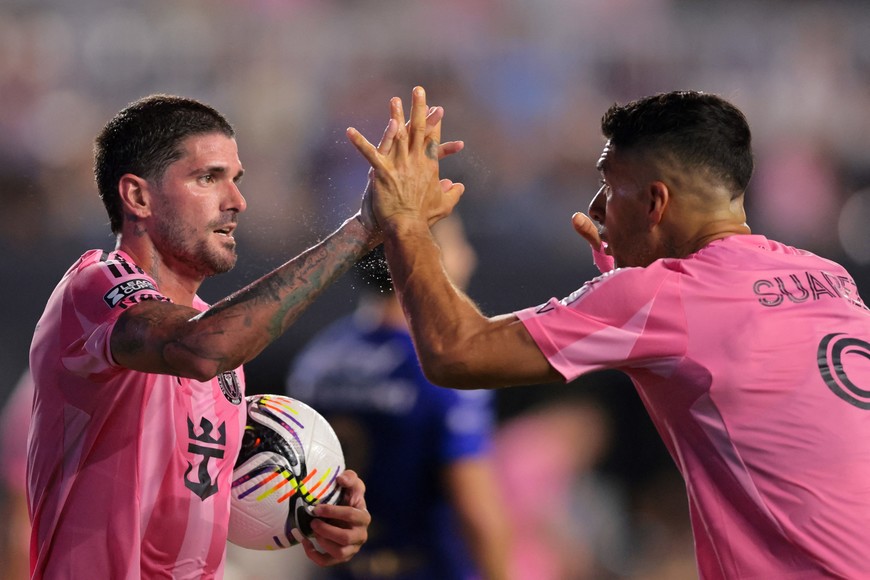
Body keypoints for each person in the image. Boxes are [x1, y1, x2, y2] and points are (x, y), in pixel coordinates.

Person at [347, 86, 870, 579]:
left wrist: (407, 222)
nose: (596, 207)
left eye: (608, 184)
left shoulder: (660, 298)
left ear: (655, 202)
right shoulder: (829, 276)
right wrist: (625, 279)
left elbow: (455, 353)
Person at [26, 93, 462, 579]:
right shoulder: (95, 286)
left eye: (236, 181)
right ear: (138, 197)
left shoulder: (221, 354)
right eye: (208, 178)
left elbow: (207, 506)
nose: (237, 201)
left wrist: (312, 512)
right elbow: (198, 347)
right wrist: (362, 229)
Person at [285, 215, 511, 580]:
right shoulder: (445, 369)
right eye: (457, 245)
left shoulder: (317, 359)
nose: (468, 258)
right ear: (425, 258)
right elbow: (477, 512)